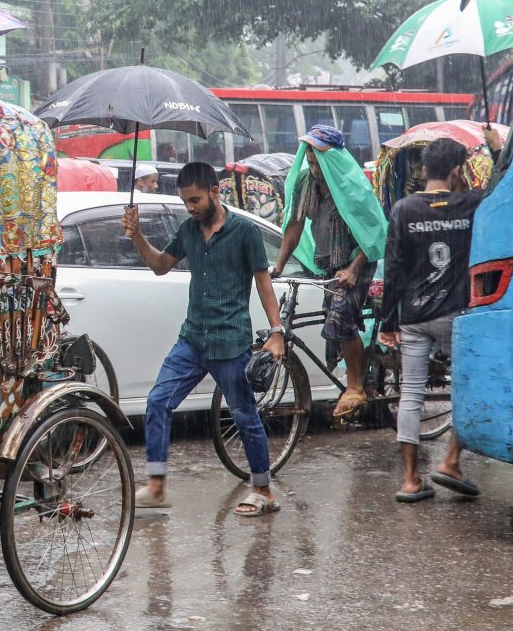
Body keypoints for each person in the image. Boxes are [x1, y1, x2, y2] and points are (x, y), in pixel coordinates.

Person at [122, 160, 287, 516]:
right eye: (185, 202)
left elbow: (263, 282)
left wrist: (277, 333)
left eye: (195, 200)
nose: (190, 207)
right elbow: (160, 265)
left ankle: (263, 490)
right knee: (158, 402)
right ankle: (156, 485)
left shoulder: (244, 231)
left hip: (230, 342)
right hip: (193, 339)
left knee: (244, 416)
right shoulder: (188, 230)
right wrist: (136, 235)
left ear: (215, 191)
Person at [381, 133, 501, 503]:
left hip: (414, 317)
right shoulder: (471, 204)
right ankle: (450, 460)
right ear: (453, 170)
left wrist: (388, 322)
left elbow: (394, 271)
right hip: (457, 316)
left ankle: (411, 479)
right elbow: (503, 188)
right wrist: (496, 149)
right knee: (469, 388)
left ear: (424, 169)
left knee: (411, 396)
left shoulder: (403, 210)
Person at [272, 123, 388, 420]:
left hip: (355, 263)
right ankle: (362, 378)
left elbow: (372, 231)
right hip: (328, 264)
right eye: (310, 161)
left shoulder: (351, 184)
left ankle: (355, 387)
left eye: (318, 162)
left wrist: (352, 268)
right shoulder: (305, 182)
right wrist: (279, 265)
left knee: (340, 317)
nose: (313, 167)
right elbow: (295, 226)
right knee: (332, 330)